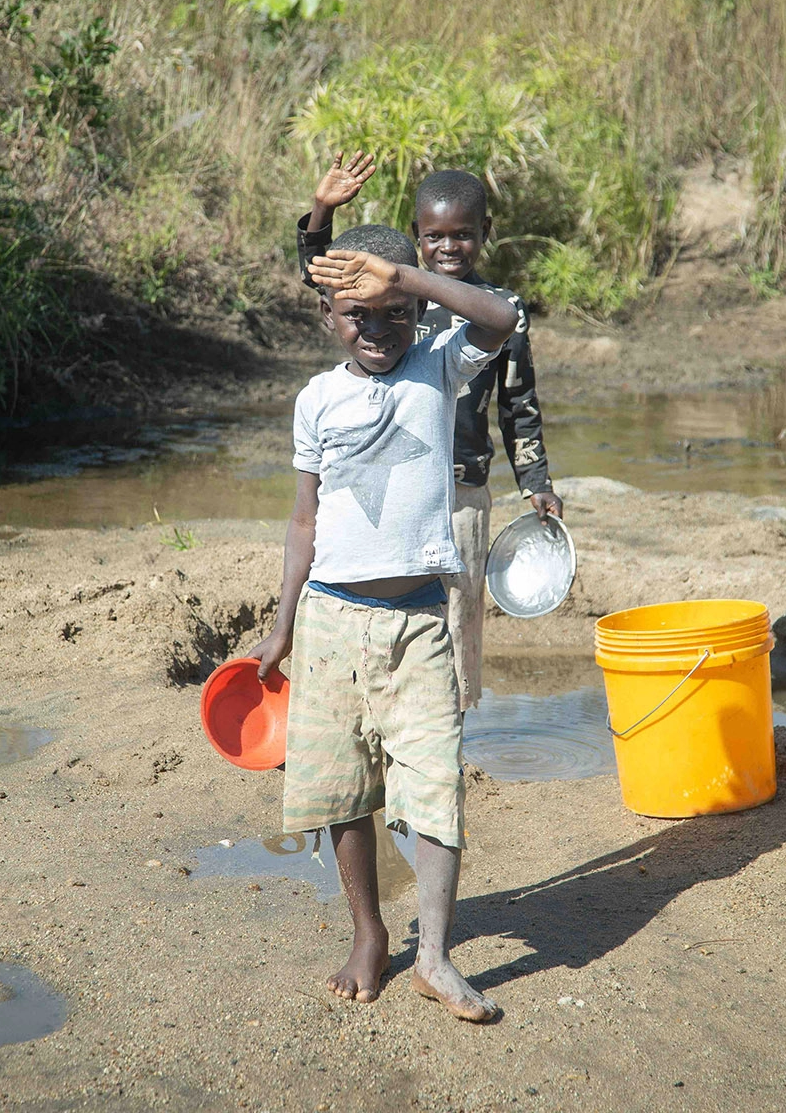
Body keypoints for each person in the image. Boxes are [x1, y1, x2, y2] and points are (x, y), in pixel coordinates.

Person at [247, 223, 520, 1022]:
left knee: (435, 786)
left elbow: (499, 318)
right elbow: (305, 522)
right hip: (331, 621)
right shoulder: (316, 399)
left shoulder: (438, 365)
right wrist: (282, 622)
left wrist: (402, 275)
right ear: (331, 315)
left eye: (393, 313)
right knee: (343, 786)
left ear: (414, 310)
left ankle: (433, 954)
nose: (377, 331)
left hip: (419, 624)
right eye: (357, 315)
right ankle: (369, 931)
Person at [298, 154, 560, 712]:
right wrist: (321, 211)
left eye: (463, 236)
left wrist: (535, 478)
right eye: (434, 237)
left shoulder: (495, 311)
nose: (448, 249)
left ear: (484, 236)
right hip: (387, 487)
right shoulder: (396, 302)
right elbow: (327, 280)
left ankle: (449, 728)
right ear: (416, 239)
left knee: (458, 613)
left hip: (461, 490)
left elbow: (519, 400)